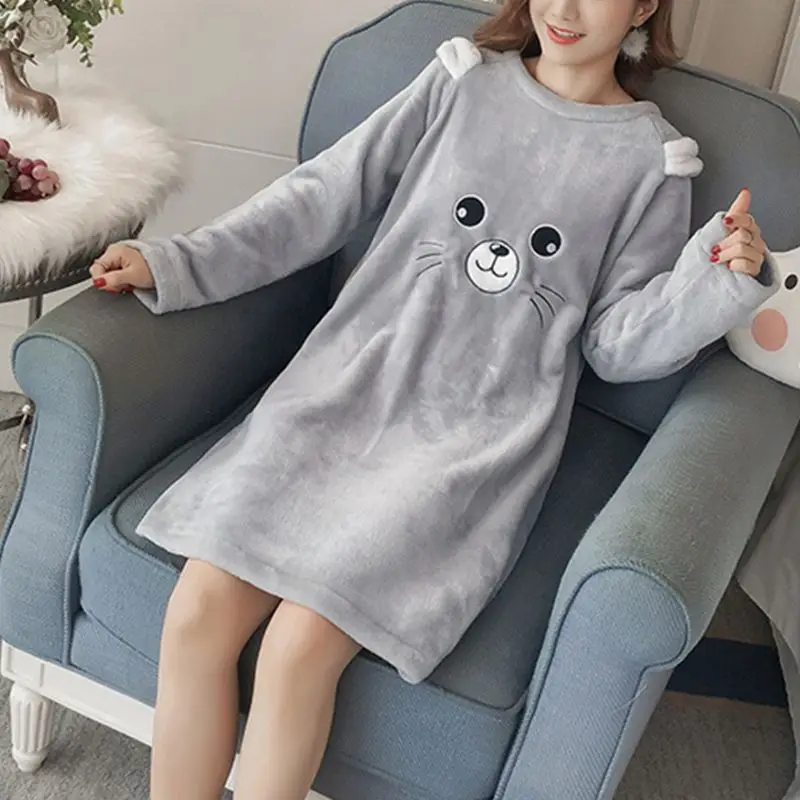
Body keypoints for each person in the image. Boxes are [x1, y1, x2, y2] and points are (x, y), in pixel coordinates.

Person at [89, 1, 775, 798]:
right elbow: (322, 196)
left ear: (645, 4)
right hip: (342, 390)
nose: (563, 8)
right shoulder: (460, 82)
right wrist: (177, 262)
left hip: (471, 442)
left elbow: (615, 346)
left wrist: (710, 284)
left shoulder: (653, 164)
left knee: (298, 650)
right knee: (196, 614)